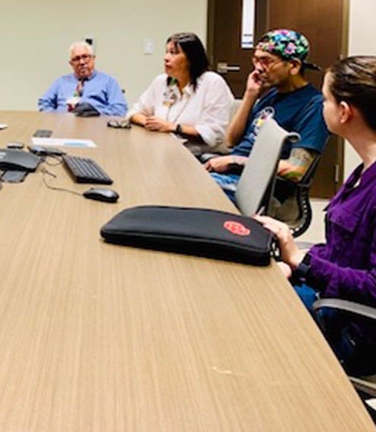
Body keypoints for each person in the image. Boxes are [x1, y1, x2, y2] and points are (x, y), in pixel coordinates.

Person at [256, 56, 376, 376]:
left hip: (355, 331)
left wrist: (302, 262)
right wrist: (294, 263)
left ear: (345, 111)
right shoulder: (363, 172)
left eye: (325, 99)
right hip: (334, 298)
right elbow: (344, 254)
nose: (322, 106)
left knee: (248, 314)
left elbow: (374, 287)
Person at [205, 29, 329, 202]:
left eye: (266, 61)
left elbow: (296, 170)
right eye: (256, 60)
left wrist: (235, 161)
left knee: (186, 189)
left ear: (294, 66)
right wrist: (250, 95)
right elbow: (231, 141)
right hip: (234, 174)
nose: (258, 68)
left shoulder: (313, 105)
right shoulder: (271, 94)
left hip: (260, 187)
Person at [129, 32, 233, 152]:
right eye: (166, 52)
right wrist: (152, 123)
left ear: (191, 58)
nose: (166, 58)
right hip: (161, 149)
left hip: (198, 155)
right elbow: (134, 113)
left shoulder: (211, 82)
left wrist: (172, 127)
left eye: (173, 53)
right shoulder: (161, 81)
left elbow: (214, 133)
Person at [38, 42, 127, 116]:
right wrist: (57, 117)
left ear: (93, 59)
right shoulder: (61, 82)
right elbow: (44, 102)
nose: (82, 62)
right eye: (76, 59)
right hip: (63, 126)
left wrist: (97, 114)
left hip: (96, 128)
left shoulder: (108, 81)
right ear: (71, 63)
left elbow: (120, 109)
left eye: (85, 57)